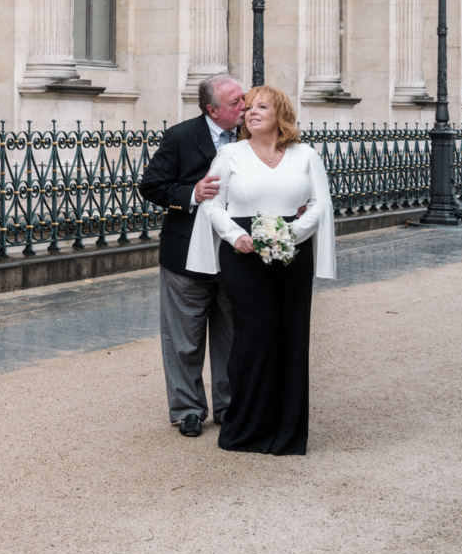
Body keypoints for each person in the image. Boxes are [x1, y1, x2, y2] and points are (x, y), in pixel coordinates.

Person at [186, 86, 336, 455]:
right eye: (248, 107)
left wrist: (293, 233)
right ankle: (245, 429)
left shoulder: (305, 155)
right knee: (258, 335)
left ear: (280, 113)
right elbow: (212, 204)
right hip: (243, 256)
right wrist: (235, 235)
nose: (251, 112)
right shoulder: (229, 154)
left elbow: (320, 204)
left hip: (293, 255)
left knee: (292, 336)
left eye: (261, 106)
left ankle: (287, 432)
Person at [138, 73, 243, 438]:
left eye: (244, 99)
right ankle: (187, 410)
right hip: (184, 254)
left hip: (235, 253)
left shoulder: (251, 135)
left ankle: (229, 407)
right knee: (183, 340)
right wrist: (192, 193)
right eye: (235, 103)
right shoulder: (181, 136)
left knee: (232, 337)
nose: (244, 107)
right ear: (212, 110)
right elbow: (150, 185)